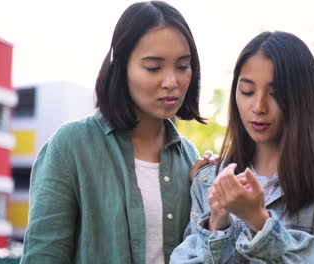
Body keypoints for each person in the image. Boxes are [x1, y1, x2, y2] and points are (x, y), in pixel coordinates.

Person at [20, 1, 216, 263]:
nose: (172, 82)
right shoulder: (70, 146)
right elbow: (43, 255)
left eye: (182, 66)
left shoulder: (190, 158)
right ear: (121, 67)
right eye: (153, 67)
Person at [170, 31, 314, 263]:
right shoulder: (210, 180)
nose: (258, 106)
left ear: (302, 97)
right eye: (247, 91)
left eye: (275, 94)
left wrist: (259, 221)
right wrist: (217, 225)